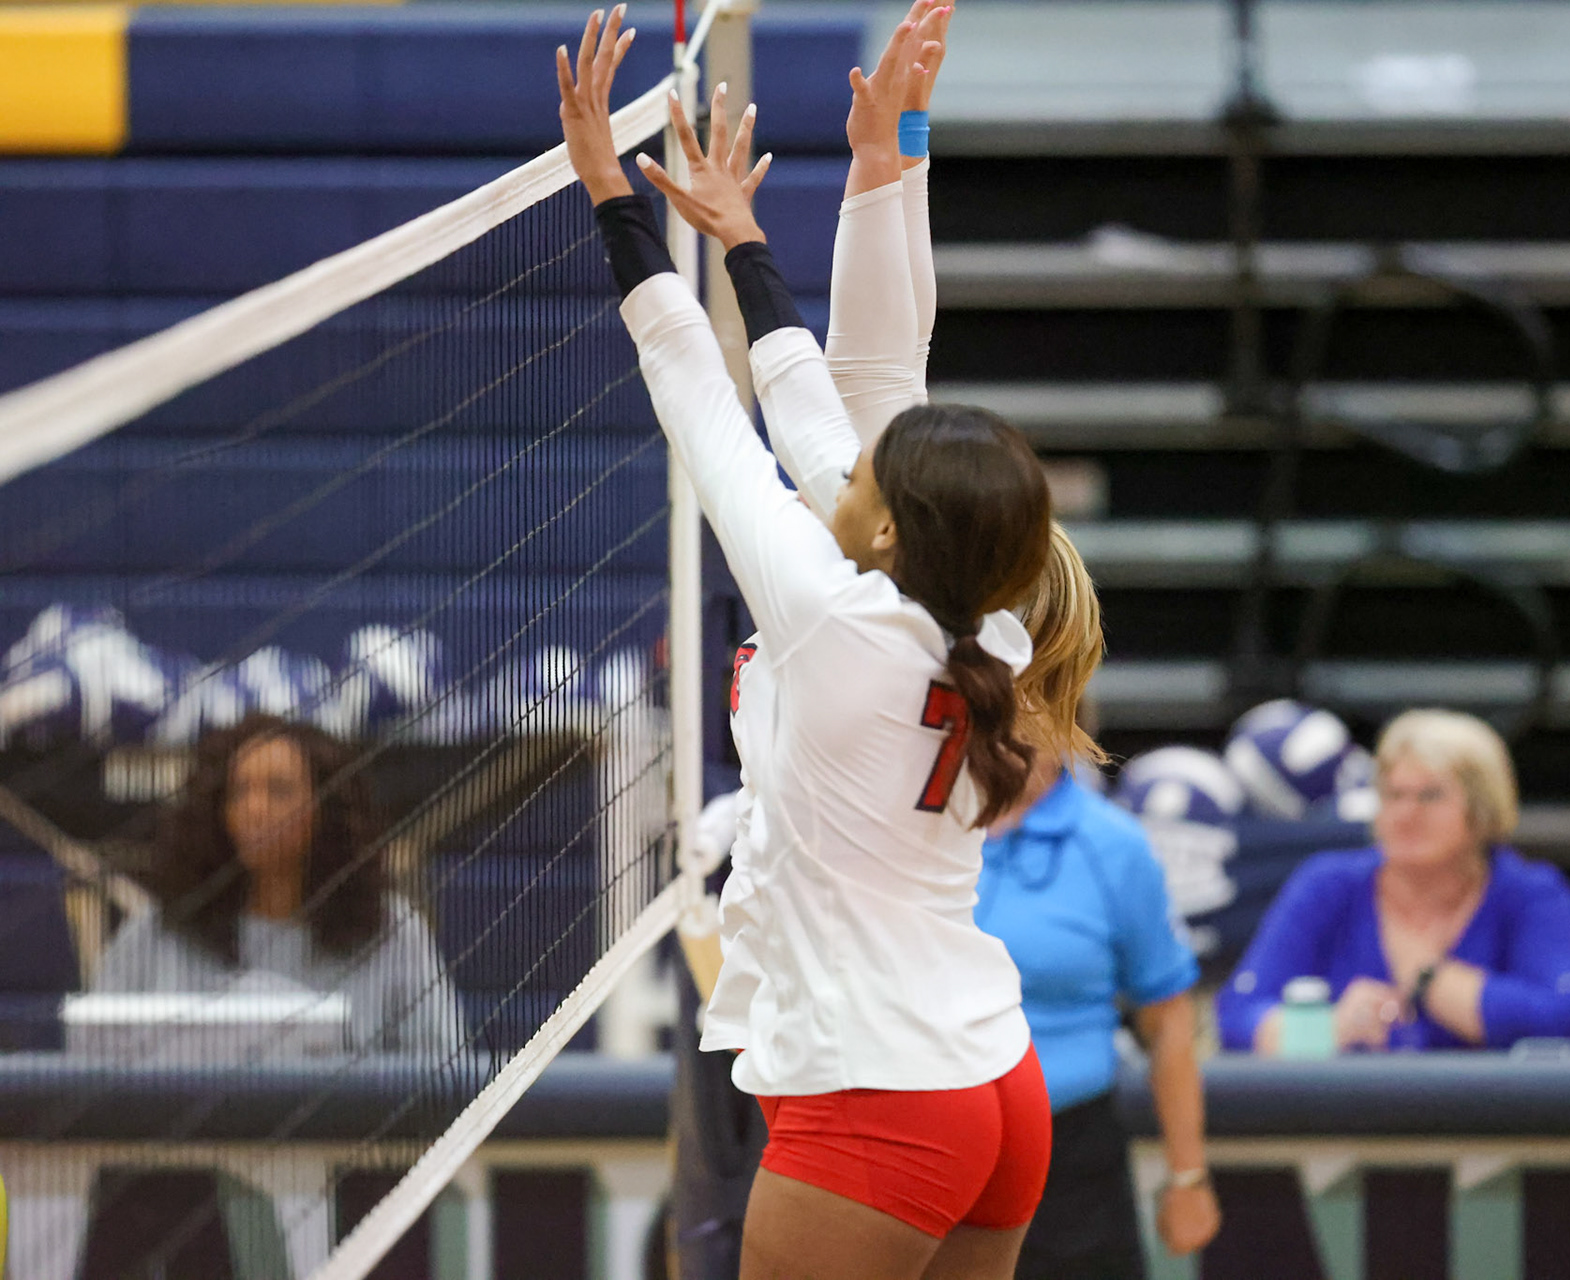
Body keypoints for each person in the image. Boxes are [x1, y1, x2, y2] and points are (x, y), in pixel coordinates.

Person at [558, 8, 1056, 1277]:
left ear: (888, 524)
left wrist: (615, 198)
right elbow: (852, 377)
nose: (850, 448)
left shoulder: (834, 619)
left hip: (879, 1104)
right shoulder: (981, 613)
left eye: (869, 470)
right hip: (993, 1086)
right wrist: (804, 207)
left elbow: (709, 406)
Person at [975, 531, 1221, 1279]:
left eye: (1045, 693)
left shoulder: (1112, 846)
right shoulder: (917, 822)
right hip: (937, 1145)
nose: (1022, 715)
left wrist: (1188, 1178)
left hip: (1071, 1161)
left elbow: (1168, 1018)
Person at [1216, 708, 1570, 1053]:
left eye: (1430, 796)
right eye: (1393, 795)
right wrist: (1327, 1029)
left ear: (1483, 808)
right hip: (1346, 1119)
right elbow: (1237, 1015)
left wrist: (1430, 981)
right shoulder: (1328, 885)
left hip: (1489, 1123)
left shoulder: (1530, 894)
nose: (1405, 814)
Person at [94, 713, 462, 1055]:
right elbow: (93, 1069)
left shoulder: (394, 935)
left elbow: (445, 1077)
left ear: (325, 811)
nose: (256, 808)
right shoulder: (156, 932)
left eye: (279, 790)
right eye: (239, 791)